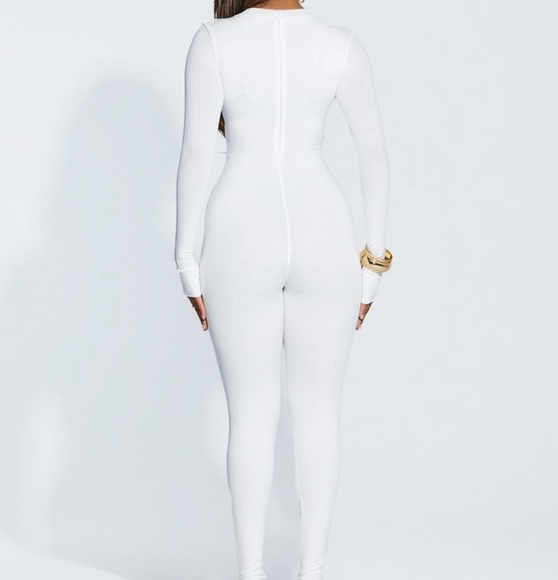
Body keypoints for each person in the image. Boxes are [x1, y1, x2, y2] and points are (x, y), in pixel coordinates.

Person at [174, 0, 393, 578]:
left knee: (249, 418)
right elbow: (373, 151)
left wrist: (186, 260)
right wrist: (373, 266)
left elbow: (196, 151)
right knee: (319, 415)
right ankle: (312, 572)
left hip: (238, 235)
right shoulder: (341, 44)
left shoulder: (213, 40)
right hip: (325, 232)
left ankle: (251, 574)